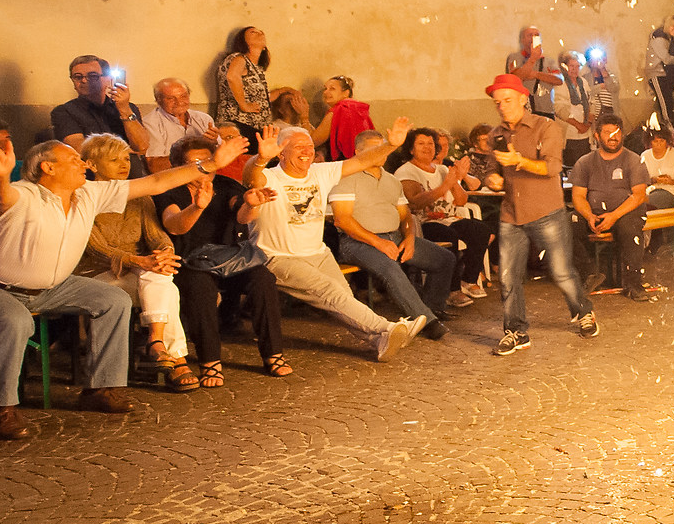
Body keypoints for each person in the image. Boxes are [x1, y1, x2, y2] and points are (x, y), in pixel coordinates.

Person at [0, 128, 247, 438]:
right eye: (74, 160)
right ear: (48, 167)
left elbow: (155, 182)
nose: (84, 164)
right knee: (14, 319)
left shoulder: (89, 193)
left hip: (49, 288)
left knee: (112, 300)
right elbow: (0, 196)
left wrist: (209, 164)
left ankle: (101, 390)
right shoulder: (25, 193)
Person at [251, 128, 426, 362]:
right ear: (281, 153)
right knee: (331, 293)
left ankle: (379, 341)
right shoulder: (270, 176)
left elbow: (362, 159)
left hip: (318, 253)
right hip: (279, 257)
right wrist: (261, 158)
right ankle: (388, 327)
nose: (307, 152)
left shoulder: (321, 172)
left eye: (310, 147)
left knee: (343, 301)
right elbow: (251, 179)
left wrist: (390, 146)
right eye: (298, 147)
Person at [155, 134, 286, 385]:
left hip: (231, 259)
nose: (206, 166)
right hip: (190, 261)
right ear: (178, 167)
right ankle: (210, 361)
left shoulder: (226, 185)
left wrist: (251, 204)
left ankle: (273, 354)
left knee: (263, 279)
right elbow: (175, 226)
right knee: (199, 287)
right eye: (196, 162)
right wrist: (197, 207)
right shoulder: (170, 192)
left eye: (209, 159)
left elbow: (242, 215)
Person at [73, 135, 197, 391]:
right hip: (96, 273)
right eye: (114, 159)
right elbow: (94, 247)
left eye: (126, 158)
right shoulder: (82, 196)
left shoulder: (139, 197)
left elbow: (156, 235)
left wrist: (163, 254)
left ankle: (157, 343)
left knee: (161, 275)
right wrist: (137, 260)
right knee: (164, 285)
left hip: (140, 270)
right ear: (92, 165)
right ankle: (177, 359)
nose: (124, 165)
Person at [486, 73, 597, 352]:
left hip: (547, 211)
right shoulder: (496, 135)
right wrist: (493, 179)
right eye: (497, 102)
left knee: (560, 271)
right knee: (508, 276)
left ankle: (583, 312)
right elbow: (491, 171)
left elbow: (552, 167)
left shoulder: (545, 127)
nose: (502, 107)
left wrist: (519, 162)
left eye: (507, 100)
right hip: (512, 214)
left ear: (524, 99)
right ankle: (515, 331)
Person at [330, 132, 458, 336]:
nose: (381, 153)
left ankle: (431, 308)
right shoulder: (345, 178)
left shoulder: (391, 180)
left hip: (394, 237)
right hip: (357, 242)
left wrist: (409, 239)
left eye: (384, 147)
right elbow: (342, 220)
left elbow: (405, 216)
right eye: (374, 148)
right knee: (390, 267)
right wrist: (378, 243)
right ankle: (427, 322)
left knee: (444, 259)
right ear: (358, 152)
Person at [396, 128, 494, 299]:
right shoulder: (406, 172)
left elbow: (462, 201)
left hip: (449, 218)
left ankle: (468, 280)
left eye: (430, 144)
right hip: (423, 223)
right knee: (449, 235)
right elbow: (415, 202)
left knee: (481, 230)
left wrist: (456, 180)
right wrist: (445, 185)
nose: (427, 148)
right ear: (411, 149)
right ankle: (452, 289)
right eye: (421, 144)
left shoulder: (441, 169)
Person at [570, 118, 656, 302]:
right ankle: (590, 274)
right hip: (594, 213)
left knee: (628, 228)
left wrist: (614, 216)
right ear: (597, 136)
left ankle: (633, 284)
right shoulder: (584, 162)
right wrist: (589, 215)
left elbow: (639, 195)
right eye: (607, 132)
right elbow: (578, 196)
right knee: (567, 223)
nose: (613, 137)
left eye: (617, 132)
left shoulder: (633, 160)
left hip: (626, 212)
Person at [50, 55, 150, 152]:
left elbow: (142, 146)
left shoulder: (129, 108)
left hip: (131, 168)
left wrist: (124, 109)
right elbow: (79, 148)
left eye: (93, 76)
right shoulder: (64, 111)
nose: (84, 80)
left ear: (108, 79)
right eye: (78, 77)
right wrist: (127, 150)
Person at [211, 26, 273, 147]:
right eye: (253, 32)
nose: (259, 33)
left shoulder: (256, 68)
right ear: (243, 42)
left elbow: (261, 98)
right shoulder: (239, 58)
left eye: (261, 31)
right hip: (238, 126)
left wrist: (284, 91)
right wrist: (244, 105)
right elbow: (232, 76)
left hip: (255, 128)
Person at [505, 25, 565, 118]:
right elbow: (516, 77)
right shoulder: (514, 57)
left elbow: (559, 80)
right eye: (530, 35)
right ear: (522, 39)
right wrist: (533, 58)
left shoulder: (549, 61)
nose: (533, 38)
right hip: (524, 110)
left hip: (547, 110)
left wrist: (535, 74)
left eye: (536, 35)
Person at [314, 76, 373, 161]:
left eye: (332, 89)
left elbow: (313, 141)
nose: (326, 92)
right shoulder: (359, 109)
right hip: (367, 160)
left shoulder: (337, 111)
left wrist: (304, 118)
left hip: (348, 164)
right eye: (325, 89)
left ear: (346, 93)